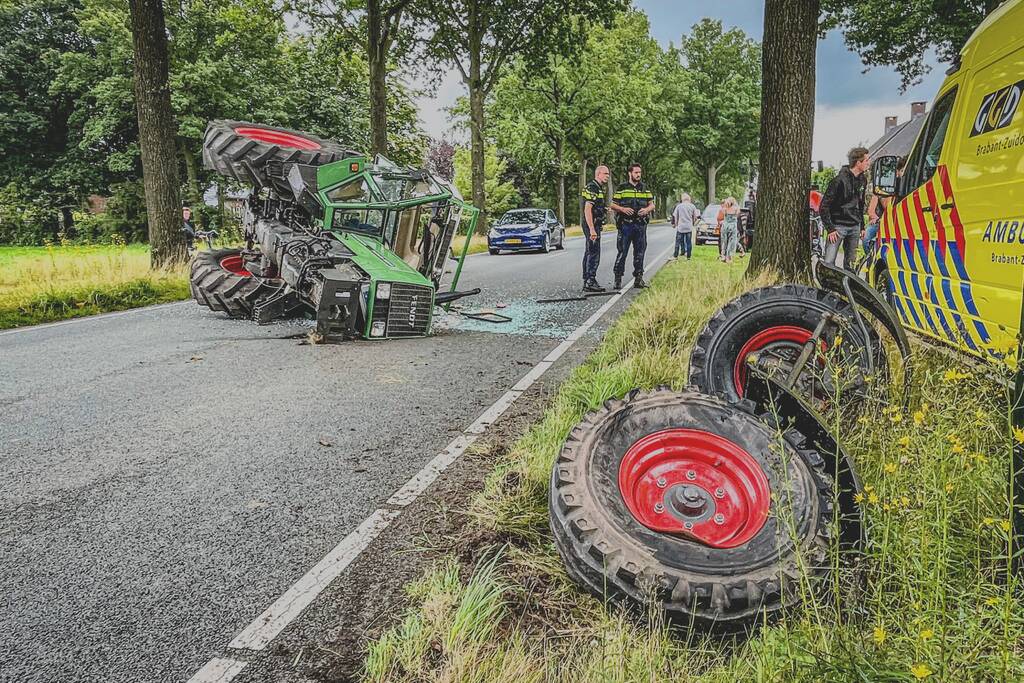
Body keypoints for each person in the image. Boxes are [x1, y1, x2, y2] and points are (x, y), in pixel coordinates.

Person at [820, 147, 870, 269]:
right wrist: (830, 229)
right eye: (867, 160)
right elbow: (824, 206)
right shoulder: (838, 181)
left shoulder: (863, 180)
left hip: (855, 226)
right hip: (838, 227)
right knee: (829, 263)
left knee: (851, 265)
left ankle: (848, 287)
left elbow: (861, 204)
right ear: (858, 163)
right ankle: (827, 287)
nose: (869, 163)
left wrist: (862, 227)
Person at [610, 163, 655, 289]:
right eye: (636, 172)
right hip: (625, 225)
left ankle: (638, 278)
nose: (638, 175)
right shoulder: (622, 188)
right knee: (622, 252)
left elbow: (652, 204)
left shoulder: (644, 188)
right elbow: (613, 205)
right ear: (630, 173)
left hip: (640, 226)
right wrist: (623, 209)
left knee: (640, 253)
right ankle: (618, 278)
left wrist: (647, 210)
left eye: (640, 172)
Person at [864, 155, 907, 253]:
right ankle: (870, 259)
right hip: (883, 221)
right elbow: (871, 210)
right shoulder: (883, 186)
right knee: (867, 236)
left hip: (900, 222)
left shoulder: (908, 186)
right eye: (902, 171)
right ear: (896, 172)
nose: (903, 173)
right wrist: (876, 219)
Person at [581, 165, 610, 292]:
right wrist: (592, 229)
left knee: (589, 251)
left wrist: (603, 210)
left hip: (593, 223)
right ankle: (590, 281)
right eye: (605, 174)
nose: (607, 176)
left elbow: (595, 207)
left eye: (608, 174)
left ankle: (587, 279)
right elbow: (587, 209)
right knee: (594, 252)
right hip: (591, 224)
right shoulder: (593, 187)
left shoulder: (597, 187)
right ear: (598, 174)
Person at [669, 193, 699, 261]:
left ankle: (675, 256)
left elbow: (676, 216)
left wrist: (675, 224)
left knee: (678, 242)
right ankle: (688, 256)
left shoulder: (679, 206)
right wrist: (693, 223)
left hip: (681, 227)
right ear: (689, 199)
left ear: (682, 199)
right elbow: (695, 217)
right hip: (688, 227)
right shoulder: (692, 206)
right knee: (688, 242)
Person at [718, 197, 741, 263]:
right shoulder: (736, 209)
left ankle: (723, 255)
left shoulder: (724, 209)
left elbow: (722, 214)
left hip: (725, 226)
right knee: (731, 242)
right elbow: (738, 213)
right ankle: (729, 257)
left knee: (724, 241)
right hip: (732, 226)